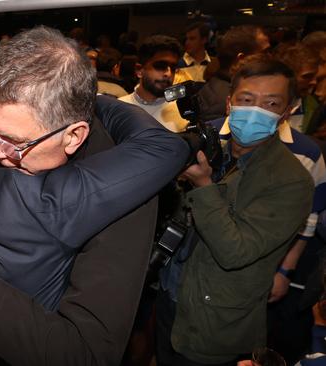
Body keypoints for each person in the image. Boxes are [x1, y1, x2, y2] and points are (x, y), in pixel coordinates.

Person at [0, 26, 188, 365]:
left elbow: (87, 354)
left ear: (74, 136)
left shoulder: (123, 190)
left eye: (14, 142)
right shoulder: (10, 152)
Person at [156, 57, 314, 366]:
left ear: (284, 114)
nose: (255, 111)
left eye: (270, 103)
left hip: (214, 322)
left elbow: (235, 251)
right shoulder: (216, 152)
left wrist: (202, 185)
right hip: (171, 298)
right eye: (246, 100)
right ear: (230, 104)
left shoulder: (292, 181)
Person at [197, 25, 272, 122]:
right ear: (242, 59)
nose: (270, 57)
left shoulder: (233, 87)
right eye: (265, 52)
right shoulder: (223, 100)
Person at [119, 35, 188, 132]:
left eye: (173, 68)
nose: (168, 74)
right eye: (160, 66)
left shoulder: (182, 113)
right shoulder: (119, 108)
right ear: (139, 70)